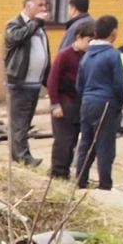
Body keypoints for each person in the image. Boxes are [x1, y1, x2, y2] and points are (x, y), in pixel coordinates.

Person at [73, 15, 123, 191]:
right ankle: (105, 184)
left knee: (85, 143)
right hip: (106, 104)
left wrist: (85, 98)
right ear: (114, 33)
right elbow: (122, 84)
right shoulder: (114, 55)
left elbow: (79, 84)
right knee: (105, 145)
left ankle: (80, 181)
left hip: (87, 102)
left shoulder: (86, 56)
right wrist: (118, 103)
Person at [3, 0, 51, 165]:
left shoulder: (38, 28)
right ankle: (21, 157)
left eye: (45, 6)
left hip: (34, 83)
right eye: (40, 5)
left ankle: (21, 155)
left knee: (26, 122)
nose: (44, 9)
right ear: (28, 6)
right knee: (18, 122)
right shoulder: (15, 24)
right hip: (19, 82)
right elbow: (15, 37)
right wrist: (36, 22)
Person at [45, 27, 89, 180]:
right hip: (64, 101)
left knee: (72, 139)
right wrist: (55, 104)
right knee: (63, 138)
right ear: (78, 37)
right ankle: (58, 172)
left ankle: (65, 170)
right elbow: (52, 80)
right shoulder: (65, 54)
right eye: (88, 41)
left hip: (77, 102)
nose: (89, 45)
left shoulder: (86, 55)